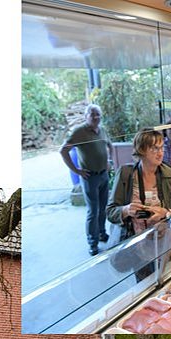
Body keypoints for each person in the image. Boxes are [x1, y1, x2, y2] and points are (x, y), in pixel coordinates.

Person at [106, 129, 171, 242]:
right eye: (155, 148)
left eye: (161, 148)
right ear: (141, 150)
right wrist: (126, 210)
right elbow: (110, 212)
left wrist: (166, 213)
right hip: (132, 242)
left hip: (163, 241)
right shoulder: (125, 174)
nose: (160, 153)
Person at [59, 104, 114, 256]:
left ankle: (102, 234)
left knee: (104, 207)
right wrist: (76, 170)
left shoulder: (102, 130)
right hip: (89, 177)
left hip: (103, 175)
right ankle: (93, 243)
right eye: (92, 114)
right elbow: (63, 150)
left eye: (98, 114)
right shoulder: (79, 132)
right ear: (86, 116)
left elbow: (110, 145)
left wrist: (110, 161)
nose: (96, 117)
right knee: (93, 211)